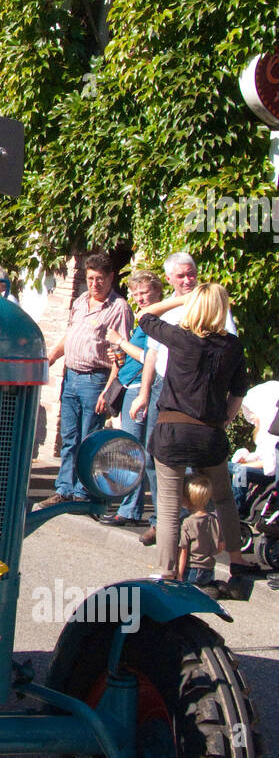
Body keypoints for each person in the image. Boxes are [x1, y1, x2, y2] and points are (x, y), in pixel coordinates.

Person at [137, 283, 253, 596]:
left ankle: (168, 573)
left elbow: (144, 316)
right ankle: (238, 563)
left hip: (172, 430)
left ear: (195, 306)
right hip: (209, 433)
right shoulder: (232, 346)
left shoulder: (182, 337)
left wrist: (181, 298)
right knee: (224, 498)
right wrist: (224, 419)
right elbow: (239, 390)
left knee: (170, 505)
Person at [130, 251, 235, 545]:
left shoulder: (216, 310)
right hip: (164, 389)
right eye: (181, 276)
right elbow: (152, 353)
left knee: (191, 472)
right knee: (155, 461)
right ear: (169, 279)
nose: (188, 280)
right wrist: (144, 392)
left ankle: (193, 531)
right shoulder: (170, 311)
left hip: (194, 395)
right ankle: (164, 523)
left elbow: (229, 355)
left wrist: (222, 416)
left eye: (192, 274)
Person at [36, 253, 133, 508]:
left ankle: (83, 492)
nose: (94, 284)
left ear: (111, 278)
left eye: (100, 279)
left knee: (88, 439)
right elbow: (70, 335)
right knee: (69, 438)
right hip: (71, 377)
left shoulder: (118, 308)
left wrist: (108, 391)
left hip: (95, 380)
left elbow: (119, 355)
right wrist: (52, 358)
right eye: (90, 278)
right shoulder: (80, 301)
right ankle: (64, 489)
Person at [100, 269, 164, 526]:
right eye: (136, 293)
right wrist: (120, 355)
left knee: (141, 454)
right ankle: (131, 509)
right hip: (131, 386)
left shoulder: (158, 319)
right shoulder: (145, 318)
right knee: (134, 452)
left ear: (158, 291)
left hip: (142, 390)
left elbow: (151, 357)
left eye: (145, 292)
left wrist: (120, 341)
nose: (140, 297)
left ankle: (146, 513)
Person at [230, 380, 279, 514]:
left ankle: (236, 508)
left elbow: (270, 464)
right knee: (224, 466)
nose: (251, 416)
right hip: (262, 469)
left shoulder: (273, 435)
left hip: (269, 474)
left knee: (239, 471)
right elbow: (261, 455)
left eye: (253, 411)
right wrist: (246, 458)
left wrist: (245, 465)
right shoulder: (264, 433)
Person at [177, 473, 224, 588]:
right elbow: (220, 547)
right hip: (209, 568)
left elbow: (183, 551)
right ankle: (212, 587)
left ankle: (205, 590)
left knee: (189, 593)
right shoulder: (214, 519)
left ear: (186, 499)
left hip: (191, 568)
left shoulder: (187, 522)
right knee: (204, 587)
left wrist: (178, 576)